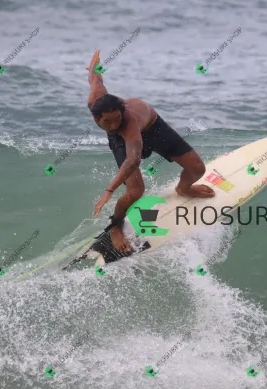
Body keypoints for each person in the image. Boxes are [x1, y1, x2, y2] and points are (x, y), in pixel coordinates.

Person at [85, 50, 215, 253]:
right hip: (123, 140)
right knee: (135, 191)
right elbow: (95, 79)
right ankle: (116, 226)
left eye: (117, 119)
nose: (113, 125)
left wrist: (109, 190)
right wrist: (94, 65)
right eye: (107, 122)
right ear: (96, 118)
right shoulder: (96, 100)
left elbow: (133, 160)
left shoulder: (128, 123)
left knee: (197, 169)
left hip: (154, 129)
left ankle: (184, 188)